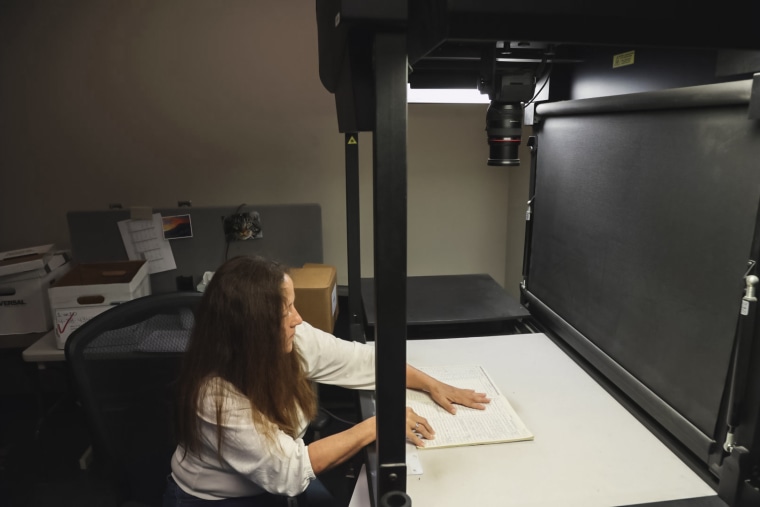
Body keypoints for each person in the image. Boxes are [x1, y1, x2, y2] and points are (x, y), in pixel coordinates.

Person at [163, 255, 490, 506]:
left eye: (293, 305)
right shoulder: (216, 395)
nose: (298, 318)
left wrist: (430, 383)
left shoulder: (292, 339)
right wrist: (378, 424)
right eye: (285, 311)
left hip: (279, 479)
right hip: (222, 500)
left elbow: (364, 361)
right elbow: (288, 472)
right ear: (252, 330)